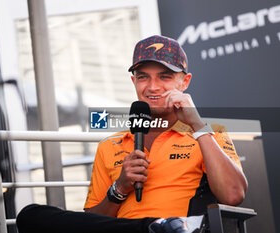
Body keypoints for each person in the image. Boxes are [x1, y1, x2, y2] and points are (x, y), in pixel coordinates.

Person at [16, 35, 247, 233]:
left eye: (164, 76)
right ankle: (154, 227)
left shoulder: (210, 133)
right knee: (29, 215)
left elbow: (233, 195)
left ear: (184, 82)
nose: (152, 86)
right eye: (143, 76)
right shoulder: (110, 144)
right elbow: (92, 223)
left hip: (182, 228)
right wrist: (119, 188)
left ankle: (159, 227)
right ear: (133, 81)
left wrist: (197, 124)